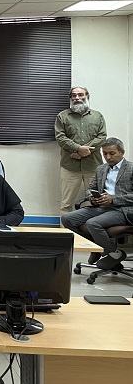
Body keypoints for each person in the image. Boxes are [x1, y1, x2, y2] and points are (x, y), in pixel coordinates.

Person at [61, 138, 133, 270]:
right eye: (105, 153)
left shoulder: (131, 168)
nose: (108, 157)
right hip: (101, 206)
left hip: (123, 209)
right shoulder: (101, 169)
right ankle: (97, 247)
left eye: (112, 153)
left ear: (122, 152)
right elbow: (90, 189)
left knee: (93, 223)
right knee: (67, 219)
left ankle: (112, 255)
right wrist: (92, 198)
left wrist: (114, 199)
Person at [55, 86, 106, 212]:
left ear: (87, 96)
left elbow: (102, 137)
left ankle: (93, 225)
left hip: (93, 166)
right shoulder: (62, 116)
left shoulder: (98, 116)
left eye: (80, 95)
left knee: (96, 201)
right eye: (74, 95)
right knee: (66, 204)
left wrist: (83, 152)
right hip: (69, 167)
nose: (77, 98)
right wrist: (78, 148)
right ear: (70, 98)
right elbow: (60, 137)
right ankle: (65, 226)